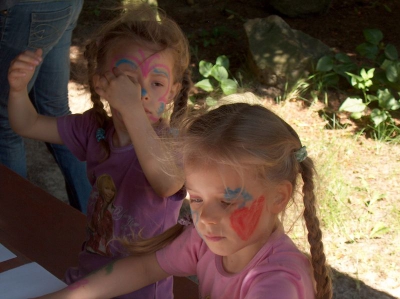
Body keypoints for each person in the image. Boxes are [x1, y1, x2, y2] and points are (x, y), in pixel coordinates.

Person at [33, 93, 333, 299]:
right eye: (197, 199)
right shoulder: (205, 242)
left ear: (279, 198)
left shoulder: (277, 281)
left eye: (226, 202)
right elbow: (142, 268)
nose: (206, 218)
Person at [8, 3, 192, 298]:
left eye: (156, 83)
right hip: (88, 279)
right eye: (128, 81)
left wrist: (131, 110)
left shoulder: (171, 144)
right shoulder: (94, 131)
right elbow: (27, 124)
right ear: (102, 83)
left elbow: (168, 182)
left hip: (142, 291)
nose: (141, 93)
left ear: (172, 91)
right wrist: (18, 90)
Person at [0, 0, 91, 213]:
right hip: (61, 6)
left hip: (29, 8)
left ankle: (12, 226)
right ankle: (95, 221)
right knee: (56, 112)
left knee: (4, 124)